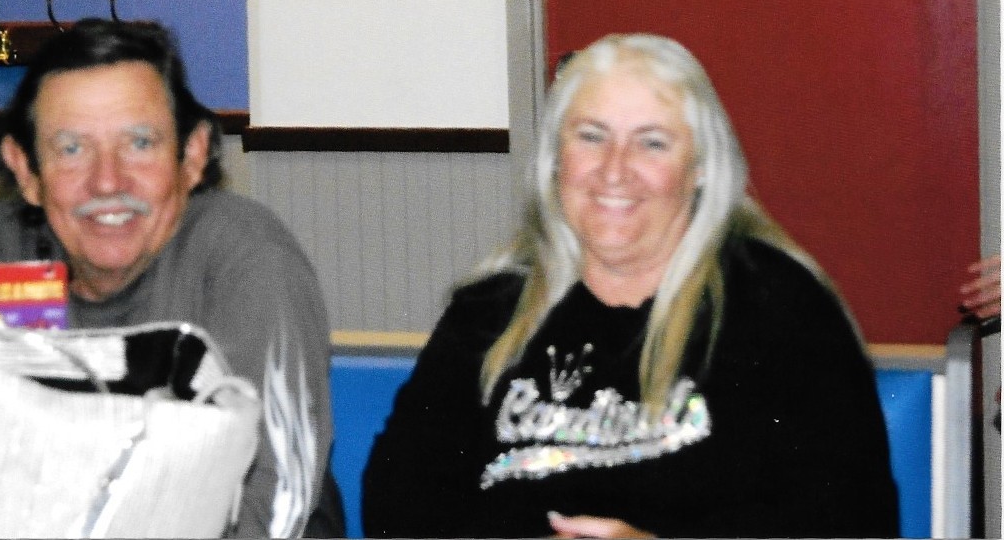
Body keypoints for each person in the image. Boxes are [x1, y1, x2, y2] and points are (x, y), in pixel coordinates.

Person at [362, 33, 899, 538]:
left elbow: (854, 519)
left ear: (700, 167)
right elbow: (396, 503)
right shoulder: (491, 309)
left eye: (652, 143)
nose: (614, 171)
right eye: (591, 137)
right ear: (555, 158)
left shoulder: (780, 307)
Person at [0, 18, 342, 538]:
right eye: (72, 149)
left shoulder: (244, 257)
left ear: (192, 156)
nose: (107, 181)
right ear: (26, 170)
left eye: (140, 143)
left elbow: (272, 506)